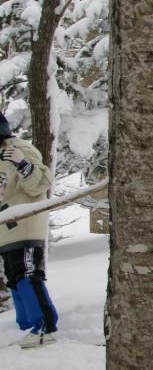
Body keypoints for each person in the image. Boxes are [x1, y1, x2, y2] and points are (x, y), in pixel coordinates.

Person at [0, 112, 57, 348]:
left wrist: (23, 165)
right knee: (14, 277)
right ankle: (29, 326)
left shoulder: (21, 149)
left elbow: (42, 184)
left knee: (26, 272)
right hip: (6, 229)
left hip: (23, 225)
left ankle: (45, 327)